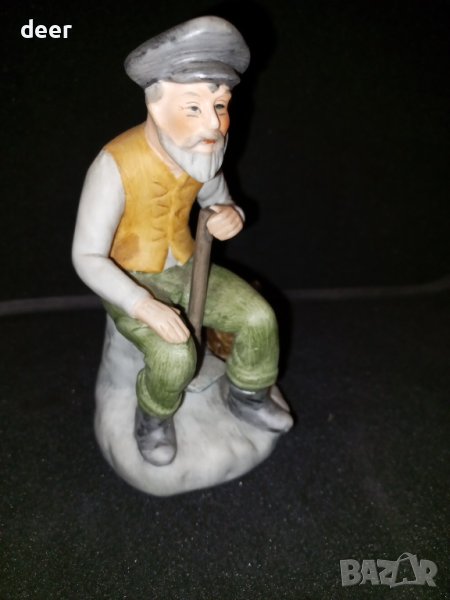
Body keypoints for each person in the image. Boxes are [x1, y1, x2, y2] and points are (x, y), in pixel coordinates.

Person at [72, 16, 292, 467]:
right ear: (156, 106)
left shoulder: (200, 153)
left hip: (187, 267)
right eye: (194, 107)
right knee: (174, 356)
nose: (213, 123)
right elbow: (87, 256)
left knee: (257, 316)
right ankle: (154, 416)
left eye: (221, 105)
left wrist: (231, 215)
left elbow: (219, 200)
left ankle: (247, 394)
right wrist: (143, 305)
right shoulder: (114, 164)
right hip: (131, 277)